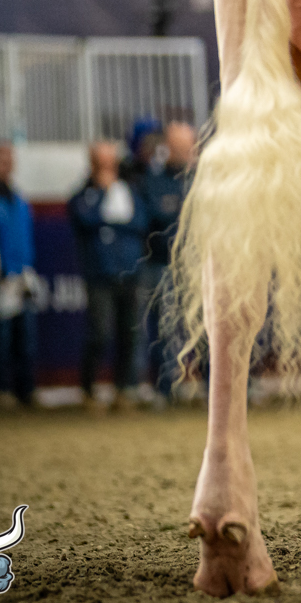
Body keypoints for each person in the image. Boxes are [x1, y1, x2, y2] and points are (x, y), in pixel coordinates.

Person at [69, 140, 148, 412]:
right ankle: (88, 389)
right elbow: (86, 219)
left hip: (130, 272)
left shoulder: (129, 190)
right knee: (100, 333)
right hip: (99, 274)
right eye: (102, 162)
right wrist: (104, 194)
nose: (107, 168)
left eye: (111, 162)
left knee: (129, 334)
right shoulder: (84, 194)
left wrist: (109, 222)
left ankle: (122, 389)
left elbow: (140, 221)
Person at [0, 141, 42, 408]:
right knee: (0, 338)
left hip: (23, 274)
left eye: (10, 160)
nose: (7, 166)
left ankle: (26, 389)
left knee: (25, 337)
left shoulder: (16, 197)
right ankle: (0, 388)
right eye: (2, 160)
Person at [139, 121, 196, 405]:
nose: (185, 151)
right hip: (162, 265)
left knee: (208, 327)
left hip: (198, 266)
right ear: (168, 147)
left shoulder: (202, 179)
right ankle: (165, 390)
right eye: (179, 146)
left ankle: (213, 390)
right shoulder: (153, 180)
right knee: (165, 329)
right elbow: (154, 219)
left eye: (188, 146)